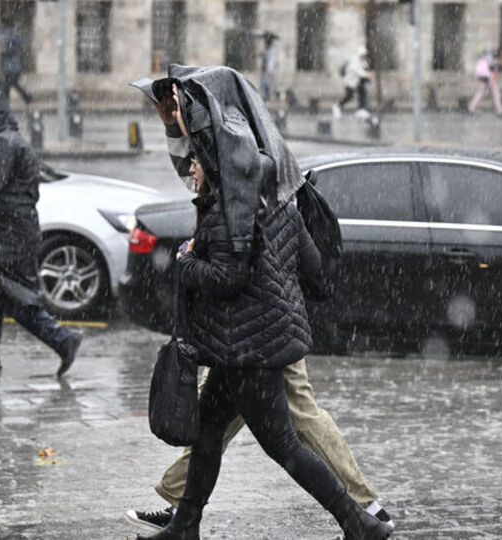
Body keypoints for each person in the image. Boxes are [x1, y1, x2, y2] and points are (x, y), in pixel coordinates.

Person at [126, 72, 394, 538]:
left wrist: (187, 262)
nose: (191, 170)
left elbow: (229, 276)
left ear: (216, 157)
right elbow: (312, 269)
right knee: (210, 434)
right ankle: (185, 523)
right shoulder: (273, 192)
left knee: (287, 442)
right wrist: (276, 284)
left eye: (196, 161)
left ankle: (359, 519)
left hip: (250, 344)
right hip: (250, 339)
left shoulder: (231, 209)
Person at [0, 73, 82, 377]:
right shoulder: (12, 141)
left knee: (16, 295)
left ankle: (63, 339)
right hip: (12, 231)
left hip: (7, 236)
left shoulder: (3, 144)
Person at [0, 24, 32, 105]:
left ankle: (26, 97)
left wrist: (3, 53)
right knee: (11, 85)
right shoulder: (12, 47)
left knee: (9, 85)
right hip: (10, 69)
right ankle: (25, 97)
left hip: (12, 70)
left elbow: (8, 57)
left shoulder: (13, 48)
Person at [333, 47, 373, 119]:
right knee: (349, 96)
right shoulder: (354, 61)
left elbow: (365, 67)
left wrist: (367, 73)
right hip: (350, 82)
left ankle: (361, 110)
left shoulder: (363, 61)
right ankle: (337, 106)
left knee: (362, 94)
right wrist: (368, 74)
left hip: (356, 82)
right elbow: (358, 71)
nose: (364, 57)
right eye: (363, 55)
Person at [467, 48, 502, 116]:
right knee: (496, 94)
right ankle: (500, 110)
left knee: (480, 94)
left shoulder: (482, 60)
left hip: (483, 79)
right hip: (490, 79)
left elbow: (479, 71)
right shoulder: (491, 60)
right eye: (494, 51)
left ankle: (472, 107)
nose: (496, 53)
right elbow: (493, 70)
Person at [259, 32, 279, 102]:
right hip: (265, 71)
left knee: (267, 85)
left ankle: (267, 98)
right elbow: (264, 54)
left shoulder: (272, 50)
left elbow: (272, 60)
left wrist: (269, 69)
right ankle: (266, 98)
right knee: (264, 85)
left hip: (269, 71)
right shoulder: (267, 49)